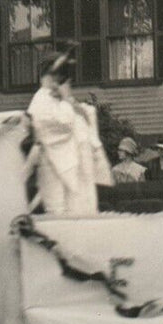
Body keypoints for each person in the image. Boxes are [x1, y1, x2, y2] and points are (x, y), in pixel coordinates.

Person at [27, 49, 113, 215]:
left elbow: (84, 118)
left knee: (80, 209)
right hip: (54, 166)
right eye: (61, 76)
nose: (65, 82)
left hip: (75, 166)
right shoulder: (41, 101)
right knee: (59, 211)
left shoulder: (58, 99)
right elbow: (65, 124)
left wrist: (71, 103)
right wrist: (67, 101)